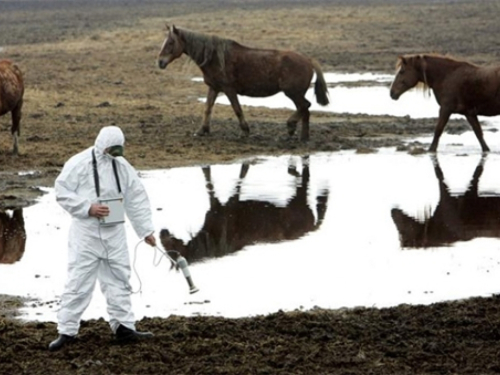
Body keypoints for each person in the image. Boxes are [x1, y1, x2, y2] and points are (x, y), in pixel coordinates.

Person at [49, 126, 157, 351]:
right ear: (102, 145)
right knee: (79, 280)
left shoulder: (122, 165)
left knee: (119, 278)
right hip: (86, 234)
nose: (114, 155)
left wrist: (145, 230)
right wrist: (87, 208)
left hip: (114, 232)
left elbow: (136, 197)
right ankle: (67, 331)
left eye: (118, 151)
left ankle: (124, 327)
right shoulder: (79, 163)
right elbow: (62, 191)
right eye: (111, 150)